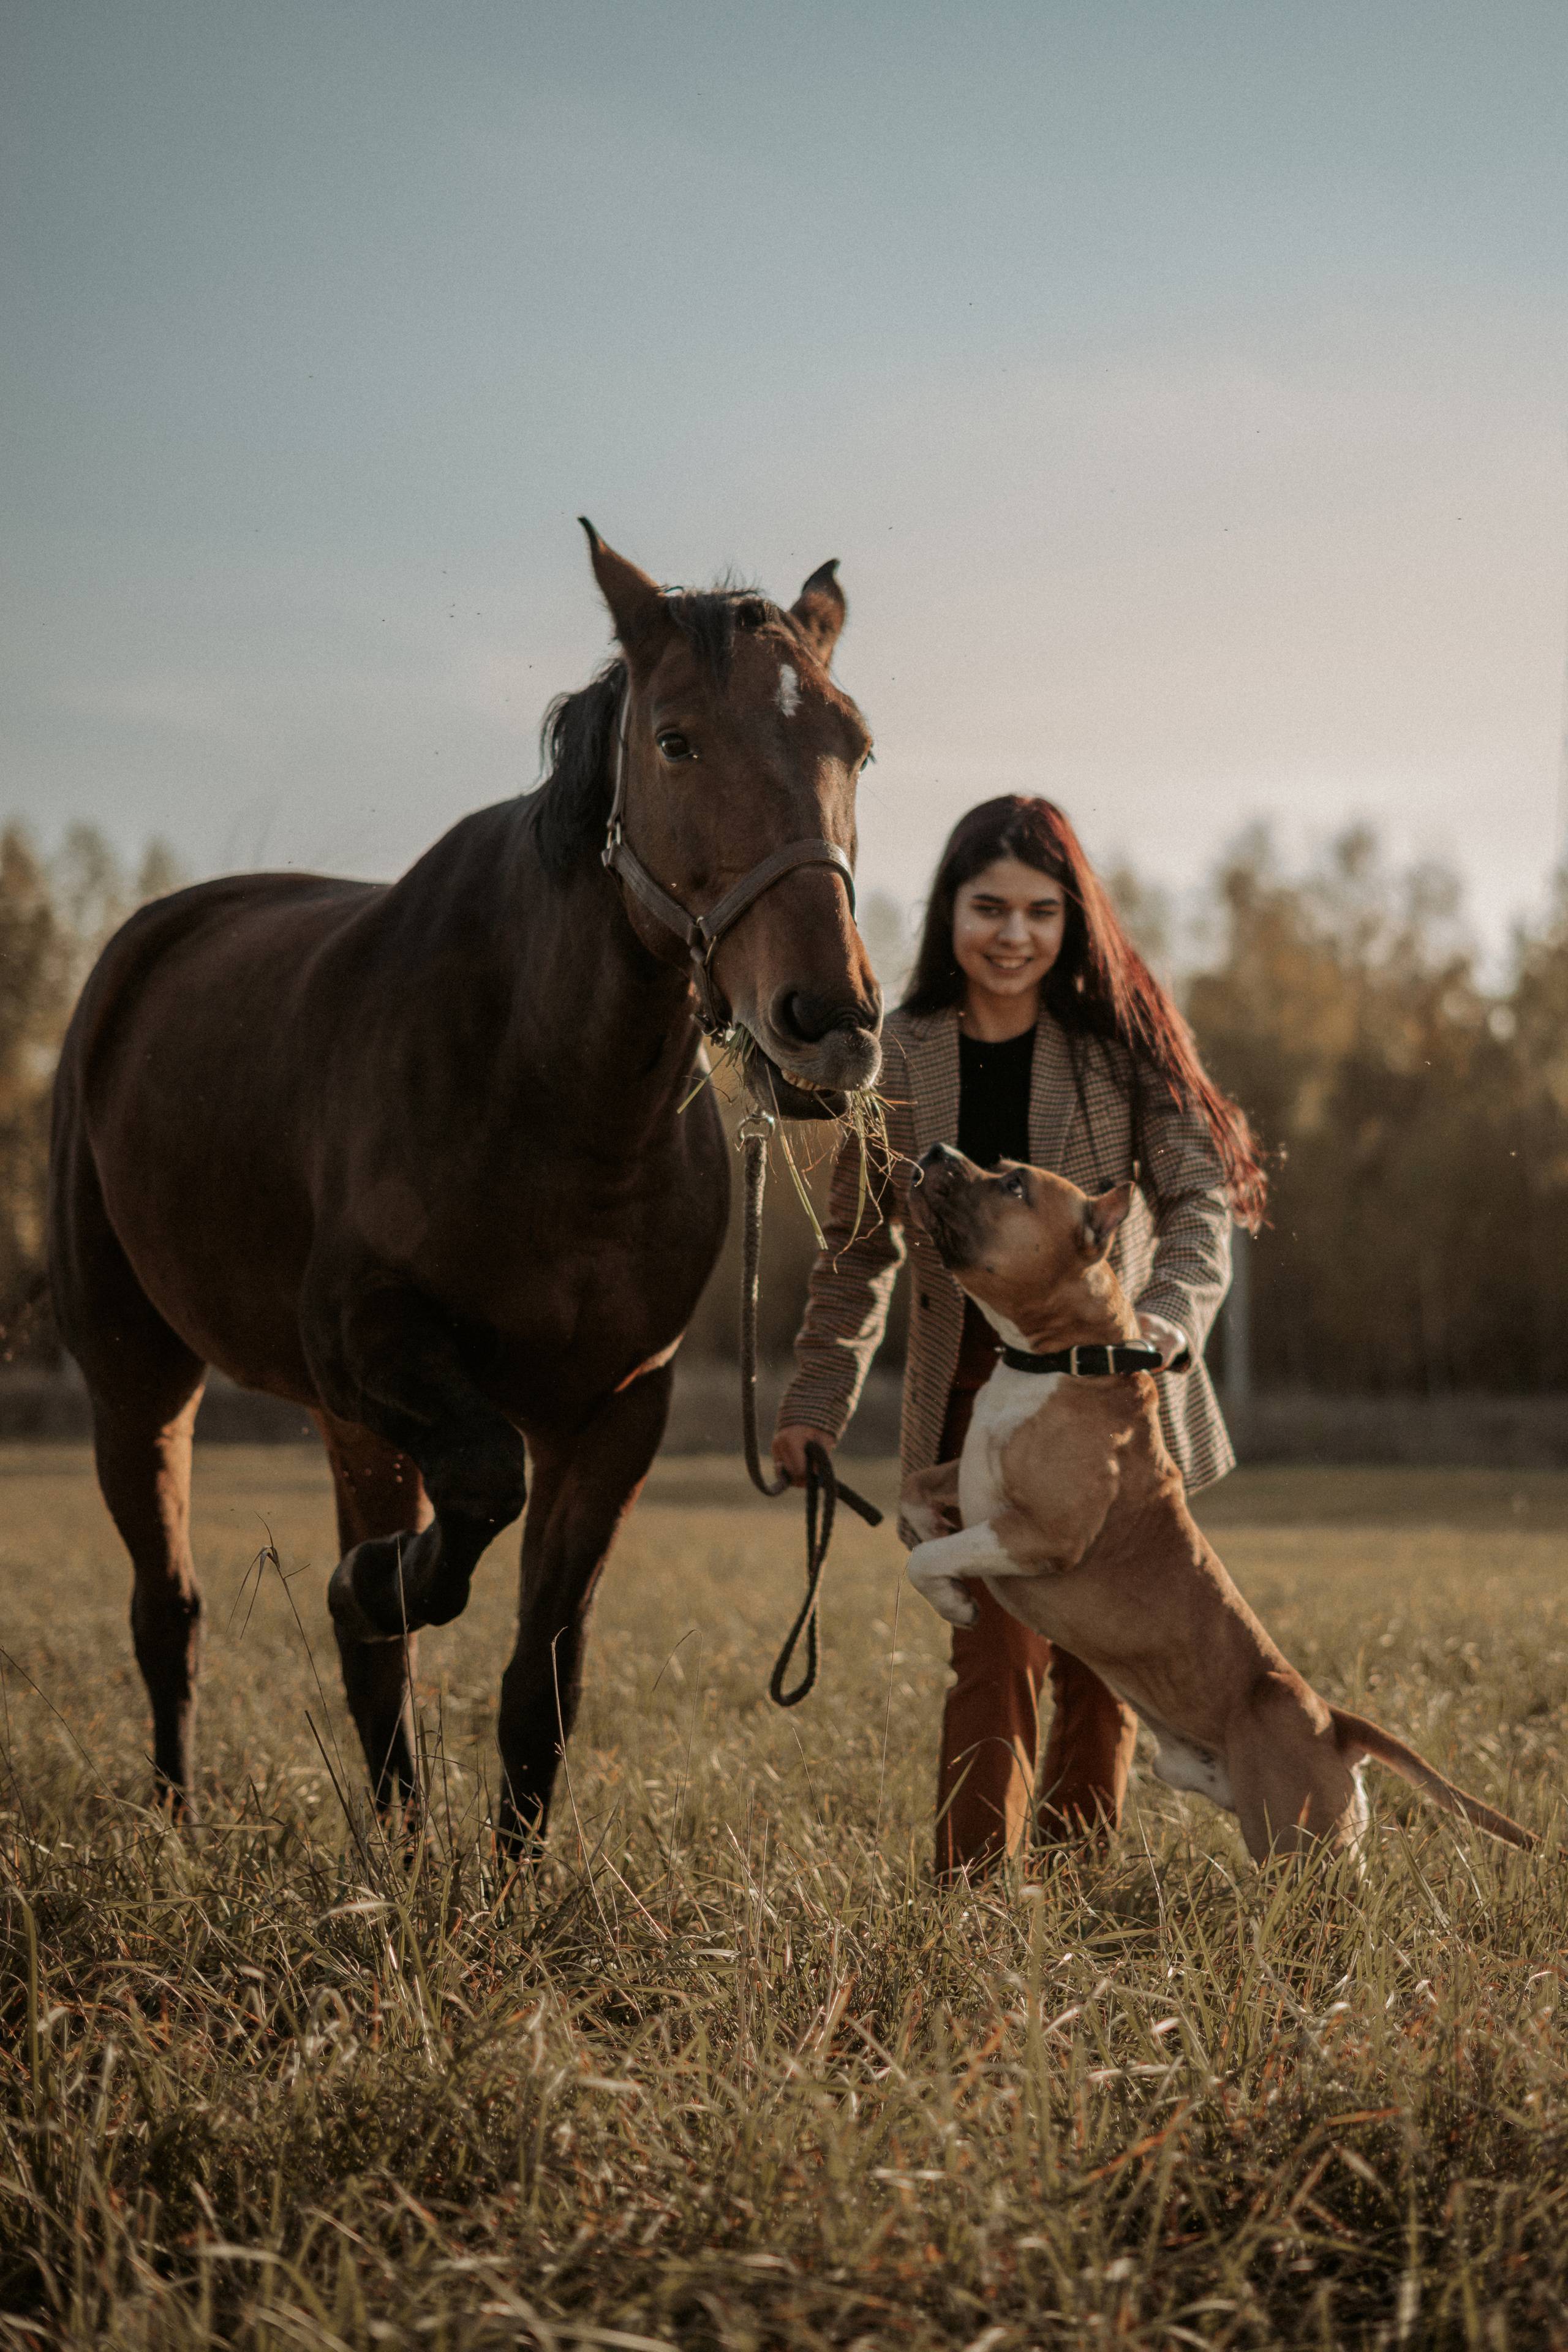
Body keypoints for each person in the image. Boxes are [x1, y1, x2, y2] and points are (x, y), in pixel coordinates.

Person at [773, 796, 1266, 1880]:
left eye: (1041, 911)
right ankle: (971, 1901)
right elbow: (860, 1249)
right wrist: (814, 1408)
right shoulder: (897, 1057)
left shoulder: (1122, 1045)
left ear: (1072, 921)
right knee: (992, 1656)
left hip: (1114, 1399)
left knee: (1105, 1663)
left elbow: (1197, 1205)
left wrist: (1168, 1323)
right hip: (969, 1396)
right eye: (987, 906)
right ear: (949, 911)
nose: (1012, 934)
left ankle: (1079, 1886)